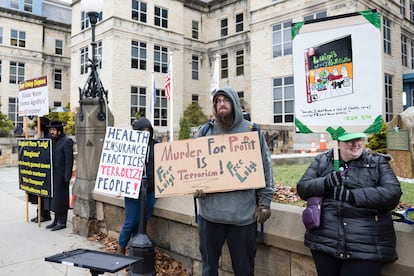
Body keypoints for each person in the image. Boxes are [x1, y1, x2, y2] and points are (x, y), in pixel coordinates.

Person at [194, 86, 275, 276]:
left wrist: (265, 201)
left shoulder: (252, 131)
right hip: (209, 216)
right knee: (208, 268)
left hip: (242, 217)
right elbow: (193, 167)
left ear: (235, 104)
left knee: (244, 269)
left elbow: (266, 166)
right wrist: (195, 186)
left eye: (225, 100)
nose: (221, 104)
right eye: (217, 101)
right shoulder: (205, 131)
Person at [296, 132, 402, 276]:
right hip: (325, 242)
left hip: (365, 246)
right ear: (337, 143)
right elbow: (303, 188)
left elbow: (392, 194)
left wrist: (352, 195)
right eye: (349, 140)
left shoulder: (377, 162)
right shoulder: (323, 160)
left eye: (359, 139)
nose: (356, 144)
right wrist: (325, 183)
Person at [117, 117, 157, 255]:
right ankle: (121, 246)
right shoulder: (129, 146)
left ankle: (134, 248)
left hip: (150, 189)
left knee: (143, 219)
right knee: (131, 220)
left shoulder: (156, 145)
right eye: (142, 130)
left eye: (148, 130)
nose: (145, 133)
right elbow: (120, 165)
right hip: (133, 189)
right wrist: (119, 185)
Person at [45, 120, 74, 231]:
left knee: (61, 199)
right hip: (53, 175)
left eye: (53, 130)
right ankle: (56, 220)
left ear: (59, 131)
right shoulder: (52, 141)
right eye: (50, 130)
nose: (51, 132)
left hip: (62, 175)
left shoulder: (67, 141)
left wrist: (67, 176)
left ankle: (62, 222)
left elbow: (69, 161)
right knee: (55, 200)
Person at [29, 117, 52, 223]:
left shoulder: (48, 138)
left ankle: (45, 214)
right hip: (38, 171)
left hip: (46, 172)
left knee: (44, 196)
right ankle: (39, 213)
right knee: (38, 194)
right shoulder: (39, 136)